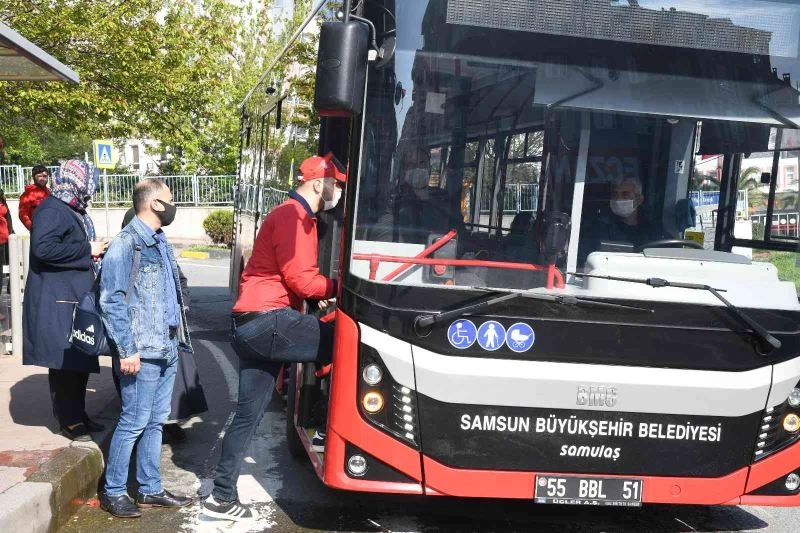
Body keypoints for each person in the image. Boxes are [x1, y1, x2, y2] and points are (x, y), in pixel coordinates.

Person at [201, 153, 343, 522]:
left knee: (247, 415)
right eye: (337, 184)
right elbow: (303, 282)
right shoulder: (296, 218)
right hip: (269, 321)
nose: (339, 190)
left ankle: (220, 497)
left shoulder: (285, 214)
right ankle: (330, 427)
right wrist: (346, 287)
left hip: (249, 324)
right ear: (317, 184)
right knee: (347, 347)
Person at [99, 179, 193, 518]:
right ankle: (114, 490)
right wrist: (126, 350)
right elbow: (111, 301)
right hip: (141, 349)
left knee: (155, 421)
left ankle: (150, 488)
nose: (173, 204)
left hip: (166, 345)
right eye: (170, 198)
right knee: (133, 421)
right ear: (154, 204)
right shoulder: (127, 243)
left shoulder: (159, 240)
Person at [22, 160, 108, 442]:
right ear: (78, 181)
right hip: (59, 299)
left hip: (72, 297)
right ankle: (68, 420)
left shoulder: (70, 208)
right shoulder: (53, 208)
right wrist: (88, 249)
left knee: (79, 361)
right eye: (89, 181)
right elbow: (43, 248)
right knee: (64, 365)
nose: (92, 188)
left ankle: (79, 414)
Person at [111, 207, 209, 444]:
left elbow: (179, 281)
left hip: (166, 333)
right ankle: (118, 481)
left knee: (164, 398)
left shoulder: (161, 248)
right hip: (135, 340)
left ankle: (168, 424)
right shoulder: (122, 250)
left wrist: (180, 307)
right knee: (135, 416)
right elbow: (111, 299)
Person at [19, 165, 51, 230]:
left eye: (45, 176)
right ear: (33, 177)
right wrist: (32, 228)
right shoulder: (27, 194)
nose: (42, 178)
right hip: (38, 231)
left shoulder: (50, 193)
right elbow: (23, 214)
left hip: (53, 230)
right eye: (39, 176)